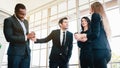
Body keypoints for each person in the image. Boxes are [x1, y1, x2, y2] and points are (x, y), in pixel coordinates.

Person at [75, 2, 111, 68]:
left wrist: (82, 35)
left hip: (98, 52)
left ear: (93, 8)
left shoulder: (95, 15)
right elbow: (95, 35)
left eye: (90, 7)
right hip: (106, 52)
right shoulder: (102, 18)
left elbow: (95, 34)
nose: (89, 9)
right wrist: (80, 37)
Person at [3, 3, 35, 68]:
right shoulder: (8, 20)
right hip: (15, 53)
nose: (23, 16)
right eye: (21, 14)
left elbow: (25, 35)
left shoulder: (26, 22)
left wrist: (31, 35)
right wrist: (26, 37)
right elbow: (8, 37)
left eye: (25, 14)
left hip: (26, 52)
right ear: (15, 12)